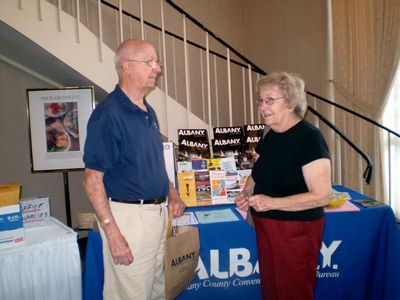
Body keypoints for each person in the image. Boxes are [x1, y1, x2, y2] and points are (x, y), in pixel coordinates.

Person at [83, 39, 186, 300]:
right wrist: (113, 234)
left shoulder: (146, 109)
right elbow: (92, 180)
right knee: (130, 294)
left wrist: (171, 191)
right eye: (149, 61)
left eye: (156, 61)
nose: (157, 68)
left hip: (156, 214)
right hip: (129, 220)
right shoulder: (108, 115)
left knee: (157, 290)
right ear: (126, 66)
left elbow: (151, 161)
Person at [235, 71, 332, 300]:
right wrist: (246, 192)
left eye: (270, 100)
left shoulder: (309, 138)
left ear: (290, 104)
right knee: (272, 290)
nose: (262, 106)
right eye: (260, 100)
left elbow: (322, 196)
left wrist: (272, 202)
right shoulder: (271, 134)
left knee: (293, 292)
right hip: (267, 224)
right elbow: (258, 174)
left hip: (296, 229)